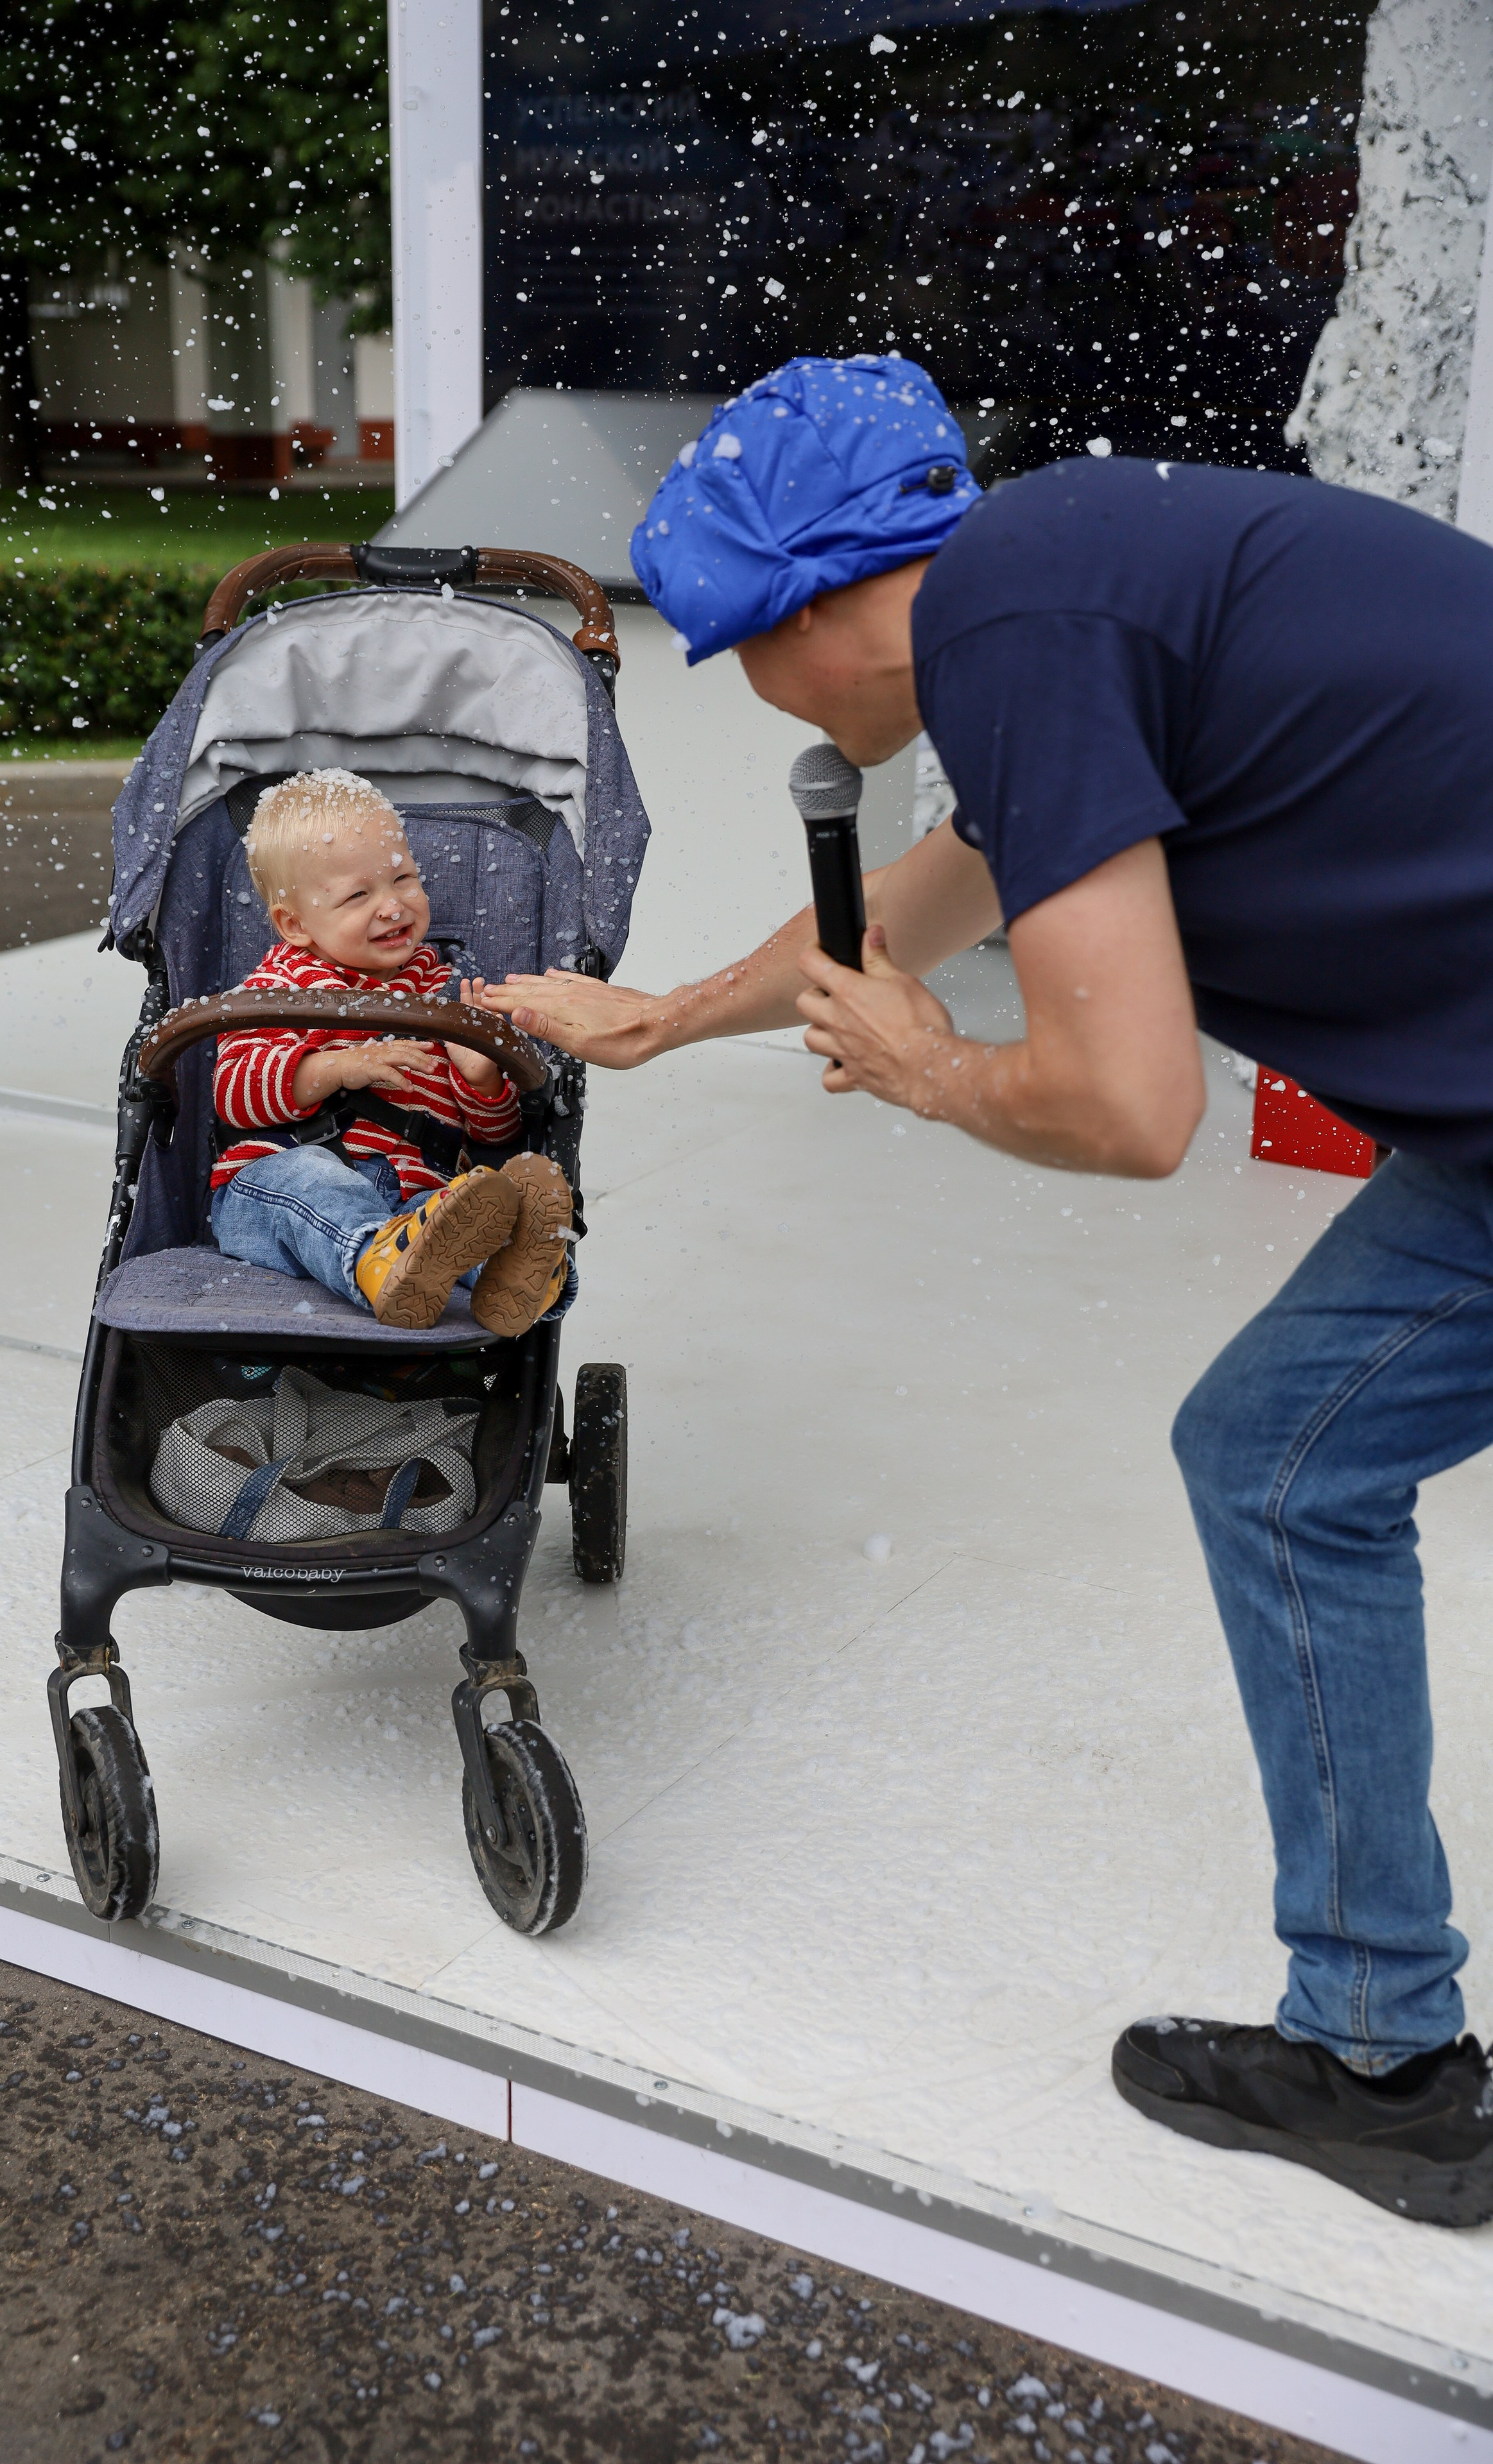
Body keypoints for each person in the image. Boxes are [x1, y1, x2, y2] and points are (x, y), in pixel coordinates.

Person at [481, 354, 1493, 2227]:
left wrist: (931, 1073)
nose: (745, 684)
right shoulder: (1059, 574)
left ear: (814, 609)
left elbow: (1126, 1105)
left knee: (1281, 1466)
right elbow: (936, 893)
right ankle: (1381, 2042)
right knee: (1276, 1456)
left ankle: (1383, 2062)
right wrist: (673, 1017)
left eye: (735, 645)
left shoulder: (1021, 622)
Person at [210, 769, 570, 1337]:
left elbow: (490, 1138)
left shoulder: (440, 991)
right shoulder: (283, 985)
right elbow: (235, 1094)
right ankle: (373, 1262)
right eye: (359, 895)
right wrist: (339, 1066)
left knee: (464, 1200)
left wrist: (480, 1082)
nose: (393, 906)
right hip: (272, 1188)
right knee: (314, 1181)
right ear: (295, 924)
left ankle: (512, 1268)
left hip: (413, 1202)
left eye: (403, 878)